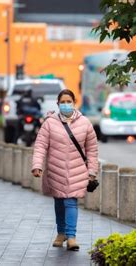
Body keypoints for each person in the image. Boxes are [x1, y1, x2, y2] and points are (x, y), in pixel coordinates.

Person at [31, 89, 99, 251]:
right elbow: (40, 146)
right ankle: (61, 233)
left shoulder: (85, 123)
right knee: (59, 202)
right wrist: (37, 166)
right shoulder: (49, 123)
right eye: (63, 102)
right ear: (58, 104)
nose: (66, 105)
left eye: (69, 102)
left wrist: (92, 171)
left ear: (74, 103)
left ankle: (71, 237)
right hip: (56, 170)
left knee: (71, 202)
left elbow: (92, 150)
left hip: (77, 172)